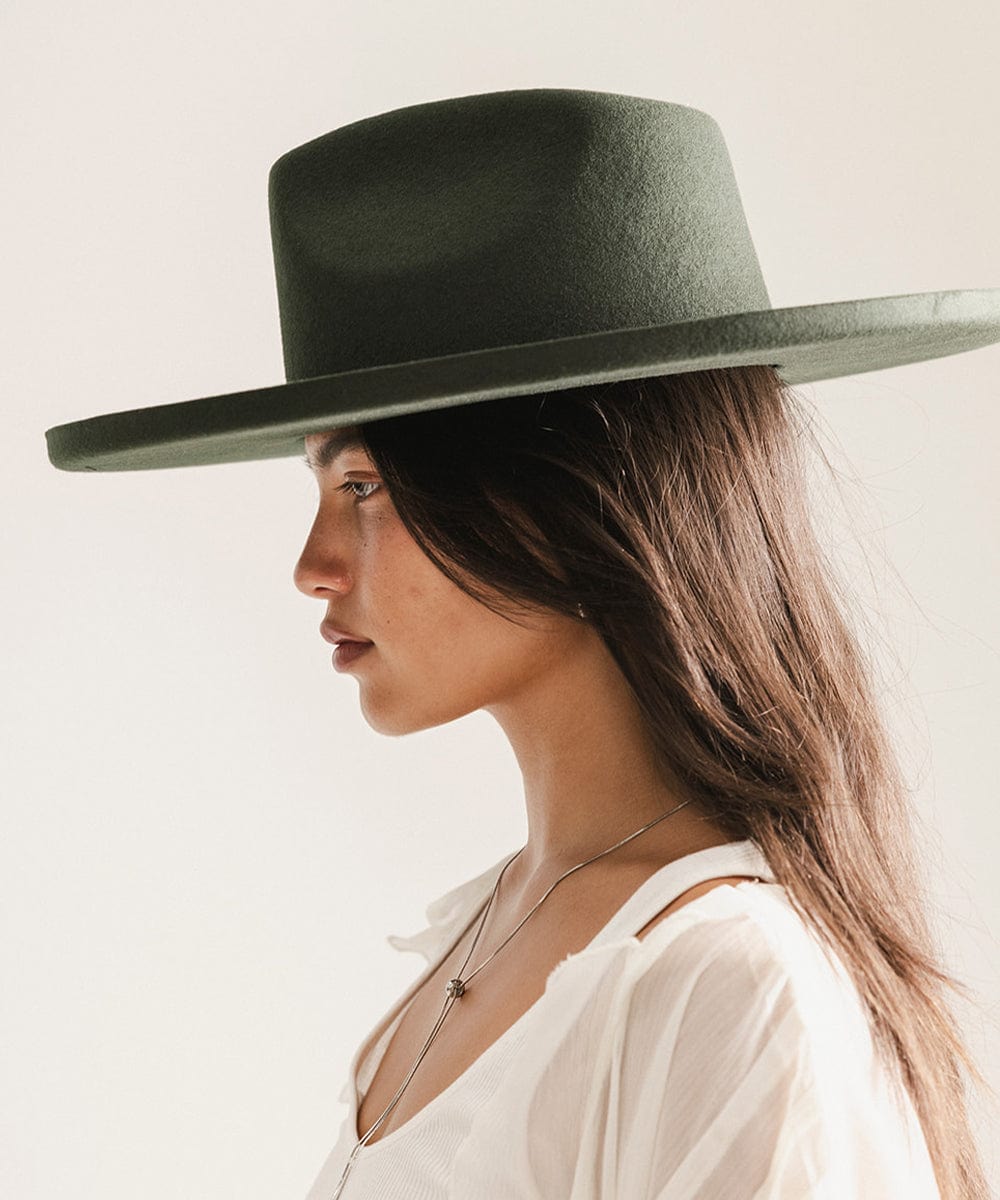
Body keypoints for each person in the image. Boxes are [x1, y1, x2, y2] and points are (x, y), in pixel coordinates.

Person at [44, 88, 998, 1199]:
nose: (312, 564)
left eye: (364, 485)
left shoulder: (727, 984)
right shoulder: (492, 931)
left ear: (577, 496)